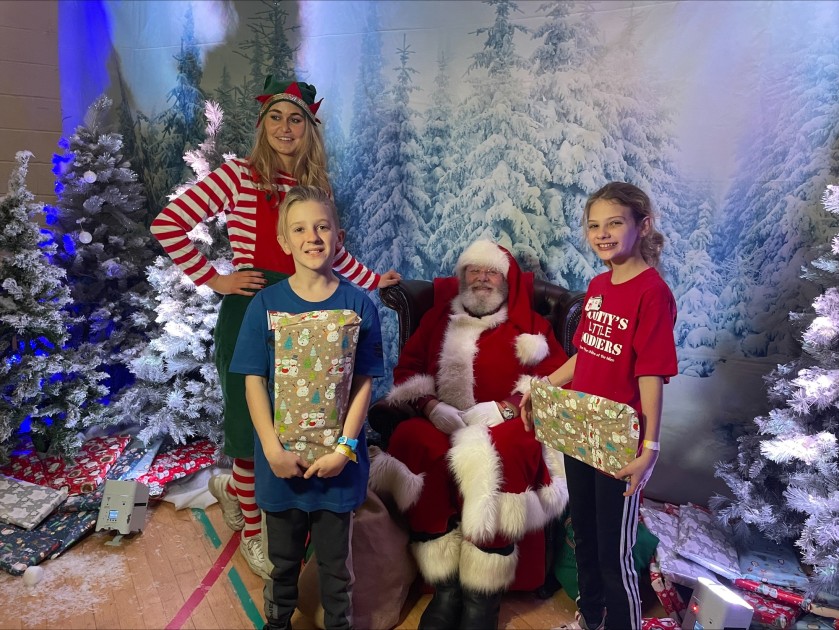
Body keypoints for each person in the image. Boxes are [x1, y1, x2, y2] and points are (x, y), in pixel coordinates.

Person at [150, 76, 399, 578]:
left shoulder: (317, 188)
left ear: (310, 128)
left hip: (310, 316)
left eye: (296, 119)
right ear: (263, 125)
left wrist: (373, 280)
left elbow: (330, 252)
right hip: (253, 311)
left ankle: (255, 499)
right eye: (276, 118)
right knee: (250, 429)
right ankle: (253, 529)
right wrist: (215, 279)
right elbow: (167, 224)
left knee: (299, 422)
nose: (286, 128)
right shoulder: (238, 175)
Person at [369, 240, 570, 630]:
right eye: (474, 271)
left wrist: (507, 407)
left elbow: (557, 379)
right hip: (444, 421)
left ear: (506, 281)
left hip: (506, 424)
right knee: (414, 439)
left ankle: (483, 595)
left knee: (507, 449)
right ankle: (445, 587)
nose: (482, 278)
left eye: (492, 271)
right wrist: (429, 405)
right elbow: (408, 368)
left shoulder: (531, 327)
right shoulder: (438, 319)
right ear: (463, 277)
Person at [521, 182, 678, 630]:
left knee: (614, 553)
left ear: (642, 225)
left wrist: (649, 449)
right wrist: (542, 387)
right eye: (594, 226)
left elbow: (651, 374)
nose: (602, 234)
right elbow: (586, 354)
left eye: (614, 223)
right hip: (580, 429)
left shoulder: (652, 293)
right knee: (585, 538)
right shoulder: (598, 285)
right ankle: (590, 619)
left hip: (619, 440)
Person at [229, 186, 384, 630]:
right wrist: (272, 452)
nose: (312, 237)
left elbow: (363, 382)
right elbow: (254, 382)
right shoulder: (265, 305)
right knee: (282, 565)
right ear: (284, 241)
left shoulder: (358, 304)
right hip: (281, 467)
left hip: (337, 467)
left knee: (336, 568)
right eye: (299, 229)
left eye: (321, 227)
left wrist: (345, 450)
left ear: (339, 236)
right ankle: (277, 623)